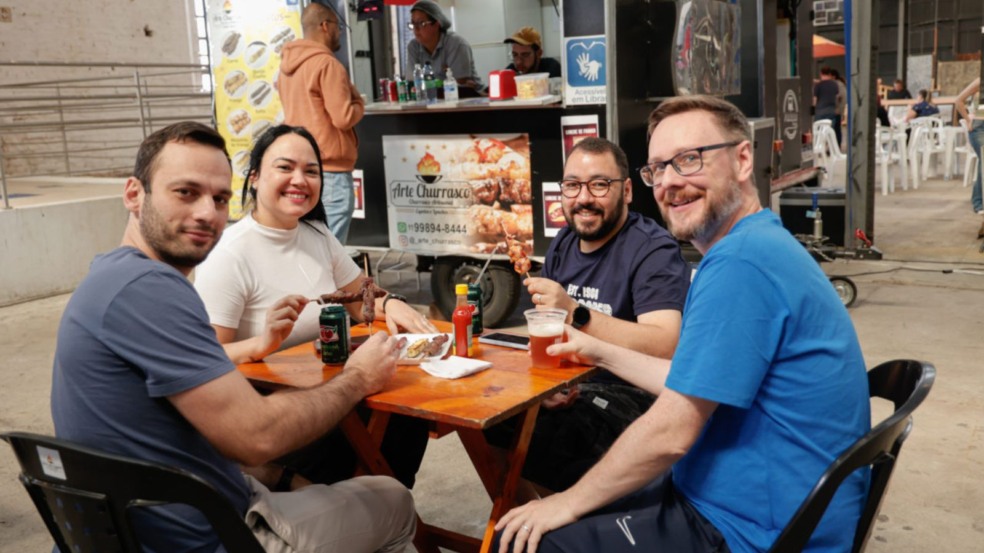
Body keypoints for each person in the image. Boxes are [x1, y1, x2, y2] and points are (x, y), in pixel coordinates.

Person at [494, 95, 871, 553]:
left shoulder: (741, 264)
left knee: (528, 542)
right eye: (658, 168)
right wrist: (594, 349)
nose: (670, 182)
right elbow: (691, 379)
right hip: (753, 498)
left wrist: (566, 504)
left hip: (755, 528)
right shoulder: (755, 245)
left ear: (743, 159)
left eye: (689, 160)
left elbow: (673, 431)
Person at [51, 122, 416, 553]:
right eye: (185, 192)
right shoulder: (151, 289)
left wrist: (283, 478)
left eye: (220, 198)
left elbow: (192, 435)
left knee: (386, 446)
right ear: (134, 194)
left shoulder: (116, 275)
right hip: (209, 535)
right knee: (394, 500)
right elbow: (255, 436)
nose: (208, 213)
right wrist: (357, 377)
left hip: (174, 507)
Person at [195, 124, 435, 488]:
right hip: (280, 418)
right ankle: (367, 513)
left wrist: (393, 303)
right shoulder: (229, 254)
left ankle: (383, 514)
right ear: (256, 177)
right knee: (389, 426)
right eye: (285, 168)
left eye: (311, 171)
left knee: (412, 407)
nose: (299, 180)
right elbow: (205, 361)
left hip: (337, 394)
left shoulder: (317, 234)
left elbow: (361, 298)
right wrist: (261, 343)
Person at [489, 137, 690, 494]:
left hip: (635, 396)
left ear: (626, 191)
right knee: (494, 418)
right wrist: (546, 388)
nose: (583, 198)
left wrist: (576, 312)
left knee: (559, 434)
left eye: (599, 185)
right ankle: (529, 523)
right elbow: (549, 338)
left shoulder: (653, 249)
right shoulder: (564, 242)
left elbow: (665, 344)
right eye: (573, 185)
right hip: (571, 387)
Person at [277, 2, 363, 244]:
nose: (340, 33)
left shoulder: (286, 68)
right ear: (326, 26)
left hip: (302, 168)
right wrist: (359, 102)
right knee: (329, 250)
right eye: (339, 26)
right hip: (332, 174)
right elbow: (344, 117)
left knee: (308, 245)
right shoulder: (327, 64)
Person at [406, 0, 483, 95]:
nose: (415, 29)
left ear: (437, 24)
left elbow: (461, 85)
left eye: (421, 23)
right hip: (433, 100)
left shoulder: (456, 44)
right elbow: (413, 83)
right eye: (413, 24)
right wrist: (442, 82)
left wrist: (426, 84)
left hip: (473, 99)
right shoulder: (413, 47)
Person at [955, 77, 984, 225]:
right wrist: (967, 119)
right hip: (979, 127)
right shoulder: (980, 81)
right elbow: (958, 101)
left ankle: (978, 199)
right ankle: (979, 202)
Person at [813, 66, 843, 145]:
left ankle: (819, 148)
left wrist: (813, 108)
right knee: (829, 132)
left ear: (821, 73)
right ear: (829, 74)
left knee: (819, 133)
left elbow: (815, 99)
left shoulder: (818, 85)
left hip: (819, 112)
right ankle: (829, 148)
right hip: (831, 112)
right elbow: (837, 97)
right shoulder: (834, 84)